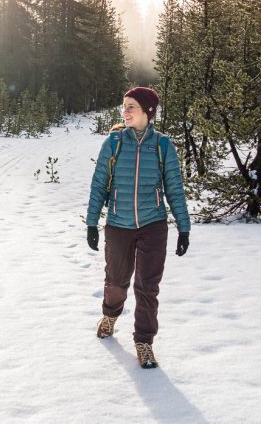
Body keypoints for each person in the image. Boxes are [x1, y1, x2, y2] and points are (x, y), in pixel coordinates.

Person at [86, 87, 190, 369]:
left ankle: (144, 342)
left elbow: (175, 189)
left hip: (153, 225)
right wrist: (92, 222)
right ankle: (110, 314)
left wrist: (184, 227)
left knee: (147, 287)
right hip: (119, 224)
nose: (125, 112)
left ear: (148, 112)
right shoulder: (114, 143)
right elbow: (99, 184)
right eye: (124, 106)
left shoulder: (163, 146)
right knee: (117, 280)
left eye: (131, 106)